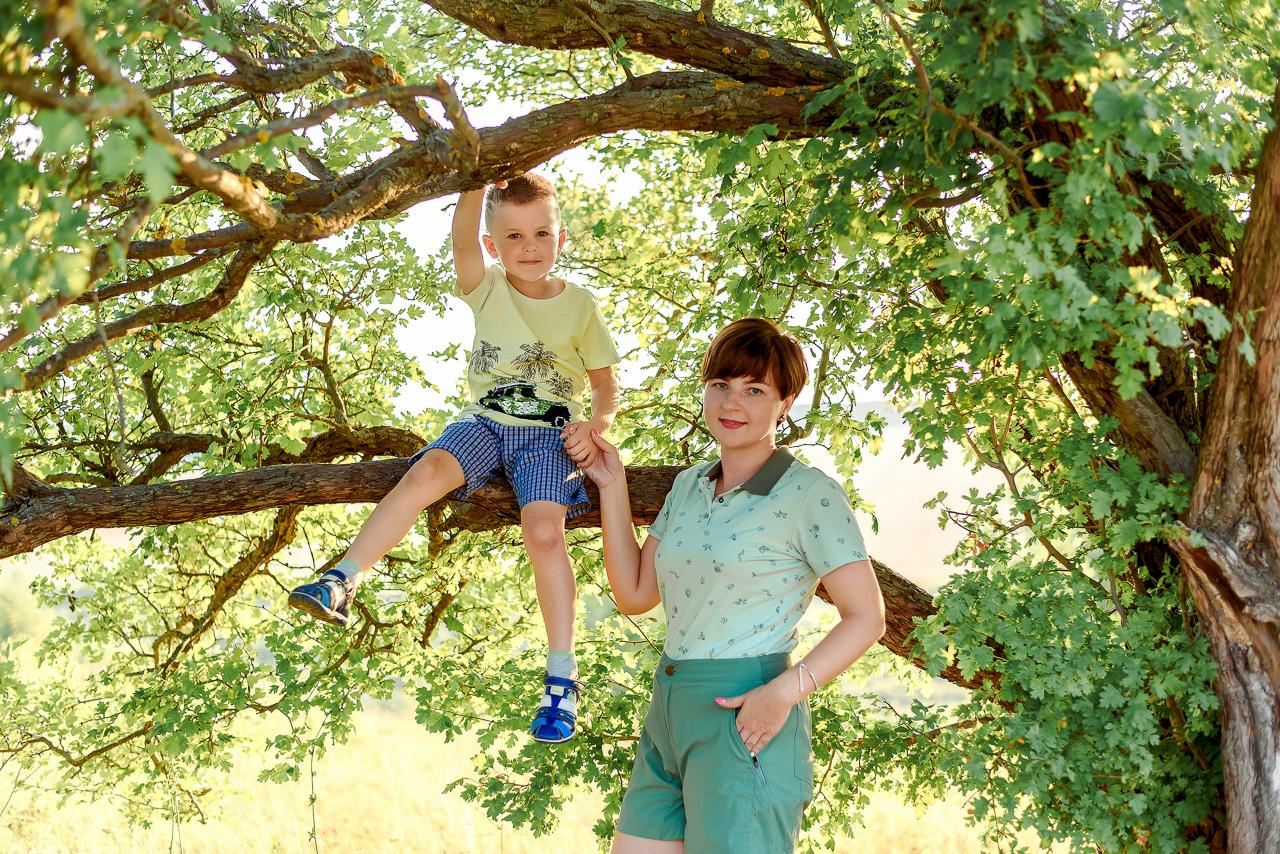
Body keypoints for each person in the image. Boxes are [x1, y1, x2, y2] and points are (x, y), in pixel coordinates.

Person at [288, 173, 621, 744]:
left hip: (549, 435)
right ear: (496, 246)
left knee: (544, 532)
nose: (530, 246)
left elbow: (605, 384)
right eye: (513, 236)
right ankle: (343, 579)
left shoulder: (580, 305)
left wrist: (598, 425)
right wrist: (475, 177)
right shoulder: (487, 286)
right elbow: (462, 240)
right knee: (427, 472)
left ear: (560, 237)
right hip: (487, 422)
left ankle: (561, 679)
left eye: (541, 232)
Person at [574, 318, 885, 852]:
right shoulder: (690, 485)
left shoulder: (809, 493)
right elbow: (634, 592)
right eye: (720, 384)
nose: (731, 402)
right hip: (669, 706)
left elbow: (868, 618)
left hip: (747, 712)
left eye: (754, 389)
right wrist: (613, 486)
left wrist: (782, 694)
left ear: (784, 404)